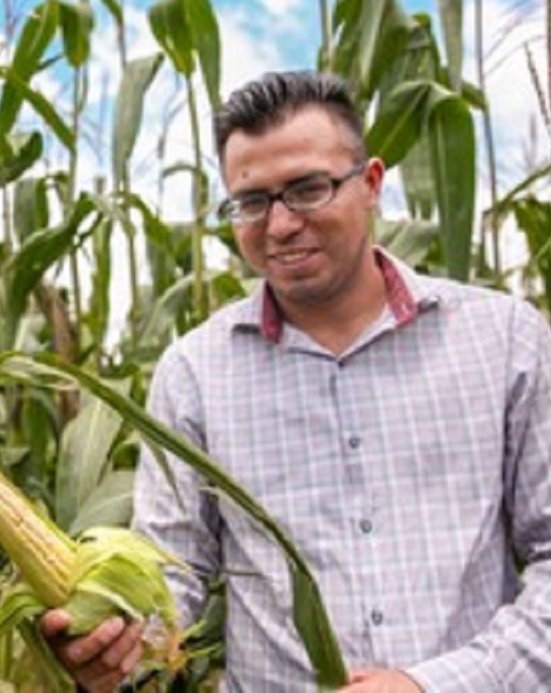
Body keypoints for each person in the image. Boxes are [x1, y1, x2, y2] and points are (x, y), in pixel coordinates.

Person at [42, 70, 551, 691]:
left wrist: (436, 684)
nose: (280, 225)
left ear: (371, 185)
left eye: (308, 189)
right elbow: (174, 576)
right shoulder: (195, 372)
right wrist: (116, 645)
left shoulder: (503, 340)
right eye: (251, 202)